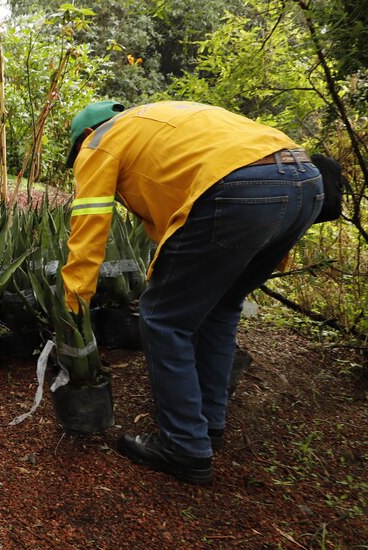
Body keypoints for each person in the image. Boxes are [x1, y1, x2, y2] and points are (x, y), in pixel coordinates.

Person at [60, 101, 323, 485]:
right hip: (304, 180)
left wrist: (74, 304)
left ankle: (184, 446)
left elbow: (90, 225)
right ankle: (209, 425)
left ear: (86, 134)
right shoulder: (161, 117)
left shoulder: (100, 141)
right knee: (220, 307)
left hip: (239, 190)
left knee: (164, 320)